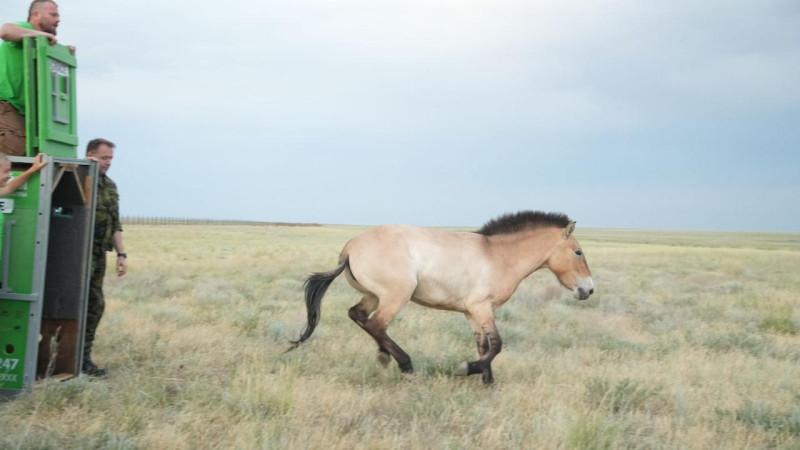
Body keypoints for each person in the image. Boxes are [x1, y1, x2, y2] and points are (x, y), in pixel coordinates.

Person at [1, 1, 69, 156]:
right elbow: (5, 31)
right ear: (36, 15)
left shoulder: (39, 43)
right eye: (53, 15)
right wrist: (41, 34)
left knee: (36, 153)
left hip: (21, 112)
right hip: (5, 104)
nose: (58, 19)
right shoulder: (26, 29)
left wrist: (65, 53)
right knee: (19, 148)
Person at [84, 138, 126, 377]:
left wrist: (121, 254)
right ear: (90, 155)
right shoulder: (79, 177)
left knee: (95, 306)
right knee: (74, 304)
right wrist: (84, 168)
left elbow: (115, 224)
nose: (108, 162)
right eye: (103, 158)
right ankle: (59, 356)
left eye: (110, 158)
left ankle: (83, 358)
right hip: (77, 255)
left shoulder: (110, 186)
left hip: (99, 255)